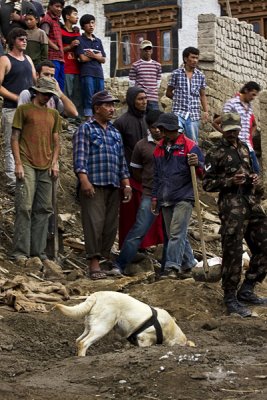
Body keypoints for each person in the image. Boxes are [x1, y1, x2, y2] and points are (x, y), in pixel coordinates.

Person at [203, 112, 267, 316]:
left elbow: (252, 178)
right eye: (228, 131)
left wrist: (253, 180)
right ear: (223, 129)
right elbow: (207, 183)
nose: (232, 134)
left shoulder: (244, 148)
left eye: (235, 131)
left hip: (251, 204)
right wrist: (230, 181)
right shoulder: (215, 151)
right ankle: (230, 297)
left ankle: (247, 288)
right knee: (233, 252)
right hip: (231, 208)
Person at [73, 90, 131, 280]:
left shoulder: (114, 132)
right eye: (107, 105)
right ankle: (93, 263)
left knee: (110, 225)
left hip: (113, 184)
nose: (112, 109)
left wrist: (126, 184)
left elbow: (121, 161)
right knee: (94, 223)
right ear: (97, 108)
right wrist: (84, 181)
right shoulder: (86, 129)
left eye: (113, 105)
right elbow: (80, 158)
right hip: (94, 184)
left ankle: (105, 259)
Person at [11, 77, 61, 265]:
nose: (48, 97)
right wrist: (18, 163)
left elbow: (56, 141)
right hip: (27, 163)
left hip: (46, 165)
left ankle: (38, 252)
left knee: (44, 209)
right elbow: (15, 137)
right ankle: (20, 252)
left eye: (50, 94)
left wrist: (55, 162)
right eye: (45, 93)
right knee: (24, 207)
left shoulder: (53, 114)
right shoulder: (23, 110)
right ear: (36, 91)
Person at [152, 113, 204, 279]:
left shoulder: (190, 146)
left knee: (175, 234)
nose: (163, 133)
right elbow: (156, 176)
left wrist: (197, 164)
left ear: (173, 130)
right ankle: (190, 264)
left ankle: (172, 267)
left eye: (165, 130)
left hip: (184, 196)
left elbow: (204, 173)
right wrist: (155, 198)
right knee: (177, 233)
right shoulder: (159, 149)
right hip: (165, 198)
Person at [114, 110, 165, 274]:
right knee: (139, 229)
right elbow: (136, 172)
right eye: (153, 127)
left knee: (176, 232)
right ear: (148, 127)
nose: (156, 130)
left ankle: (179, 264)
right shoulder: (142, 145)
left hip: (171, 196)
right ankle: (120, 264)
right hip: (150, 194)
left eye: (159, 126)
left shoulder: (172, 144)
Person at [0, 27, 36, 194]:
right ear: (13, 41)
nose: (24, 41)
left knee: (27, 144)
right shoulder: (5, 60)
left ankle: (26, 178)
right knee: (10, 143)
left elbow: (35, 81)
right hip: (11, 109)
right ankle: (12, 182)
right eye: (21, 39)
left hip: (29, 109)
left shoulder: (28, 59)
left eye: (25, 39)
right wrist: (17, 98)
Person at [114, 86, 149, 248]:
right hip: (128, 175)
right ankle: (128, 247)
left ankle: (142, 246)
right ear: (131, 101)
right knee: (129, 215)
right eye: (140, 99)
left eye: (145, 98)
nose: (144, 102)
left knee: (144, 214)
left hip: (144, 176)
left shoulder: (145, 120)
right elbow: (118, 151)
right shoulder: (121, 122)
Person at [212, 82, 261, 174]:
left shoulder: (249, 106)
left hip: (247, 146)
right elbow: (220, 121)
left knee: (255, 172)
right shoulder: (232, 103)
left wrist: (250, 134)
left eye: (255, 95)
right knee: (236, 173)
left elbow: (254, 124)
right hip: (234, 145)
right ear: (246, 90)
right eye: (252, 94)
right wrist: (225, 133)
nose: (253, 98)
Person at [166, 47, 209, 143]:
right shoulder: (176, 74)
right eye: (192, 57)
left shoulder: (200, 76)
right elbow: (168, 93)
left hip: (193, 114)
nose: (195, 60)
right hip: (178, 113)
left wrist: (206, 111)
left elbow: (202, 95)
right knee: (176, 138)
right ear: (185, 59)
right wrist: (177, 99)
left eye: (196, 58)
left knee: (192, 142)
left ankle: (193, 158)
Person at [75, 14, 106, 120]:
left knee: (100, 96)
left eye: (93, 23)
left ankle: (100, 117)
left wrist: (92, 55)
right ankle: (88, 118)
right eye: (88, 23)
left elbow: (103, 59)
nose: (91, 25)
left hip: (99, 73)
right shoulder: (80, 40)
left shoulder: (98, 41)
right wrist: (96, 56)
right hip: (87, 72)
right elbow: (82, 58)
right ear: (83, 26)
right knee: (88, 95)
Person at [61, 5, 82, 120]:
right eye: (75, 14)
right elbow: (58, 49)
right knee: (67, 94)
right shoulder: (60, 31)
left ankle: (77, 117)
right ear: (67, 16)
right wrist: (70, 46)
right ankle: (68, 118)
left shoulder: (76, 32)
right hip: (66, 68)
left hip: (77, 68)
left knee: (77, 95)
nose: (77, 17)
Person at [129, 39, 162, 111]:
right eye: (145, 49)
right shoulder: (135, 65)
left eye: (149, 49)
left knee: (154, 120)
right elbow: (132, 84)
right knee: (140, 120)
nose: (147, 51)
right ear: (140, 51)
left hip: (153, 99)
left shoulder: (157, 65)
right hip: (140, 99)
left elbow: (158, 83)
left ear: (152, 50)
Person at [40, 0, 65, 91]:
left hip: (59, 57)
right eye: (57, 6)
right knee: (53, 85)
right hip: (52, 57)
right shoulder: (47, 19)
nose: (59, 9)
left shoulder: (57, 21)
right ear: (50, 6)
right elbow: (44, 36)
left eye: (61, 7)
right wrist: (55, 47)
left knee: (60, 87)